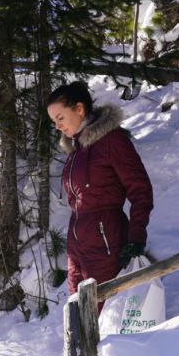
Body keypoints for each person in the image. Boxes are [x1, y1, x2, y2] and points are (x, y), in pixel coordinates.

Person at [47, 82, 154, 300]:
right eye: (53, 121)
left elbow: (140, 189)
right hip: (77, 250)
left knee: (102, 319)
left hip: (107, 246)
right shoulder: (76, 150)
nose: (57, 126)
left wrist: (136, 238)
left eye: (60, 118)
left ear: (79, 109)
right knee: (78, 320)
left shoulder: (112, 141)